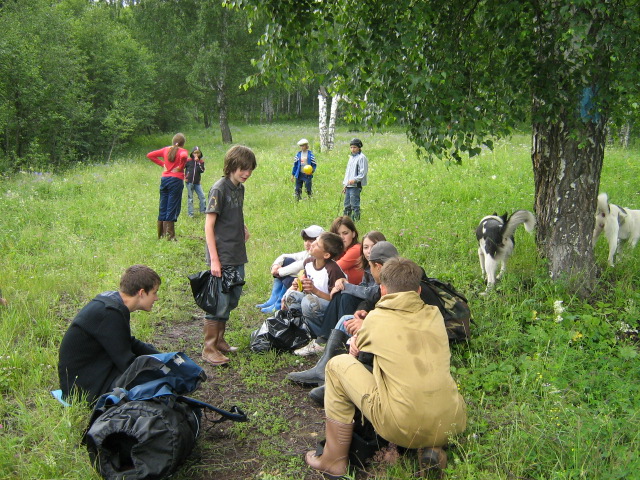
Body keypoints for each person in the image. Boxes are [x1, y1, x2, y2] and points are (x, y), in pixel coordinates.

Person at [305, 258, 467, 479]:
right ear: (418, 290)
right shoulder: (434, 315)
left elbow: (358, 354)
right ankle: (432, 446)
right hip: (453, 420)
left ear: (382, 290)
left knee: (337, 365)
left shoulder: (376, 320)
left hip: (400, 424)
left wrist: (356, 341)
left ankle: (333, 460)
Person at [286, 237, 394, 386]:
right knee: (344, 309)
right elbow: (373, 298)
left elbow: (379, 301)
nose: (369, 252)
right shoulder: (375, 271)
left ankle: (335, 357)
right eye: (366, 247)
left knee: (338, 297)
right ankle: (323, 358)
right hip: (380, 322)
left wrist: (367, 322)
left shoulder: (398, 282)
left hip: (390, 341)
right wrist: (362, 310)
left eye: (373, 247)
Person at [58, 265, 162, 403]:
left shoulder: (112, 303)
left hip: (91, 370)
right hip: (81, 389)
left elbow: (127, 342)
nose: (156, 298)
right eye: (154, 292)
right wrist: (162, 370)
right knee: (153, 384)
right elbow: (127, 363)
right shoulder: (110, 313)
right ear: (141, 293)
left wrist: (162, 357)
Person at [202, 145, 257, 366]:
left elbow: (236, 212)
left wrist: (243, 227)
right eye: (243, 169)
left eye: (250, 169)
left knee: (232, 298)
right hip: (222, 255)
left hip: (237, 252)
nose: (247, 173)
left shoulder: (239, 188)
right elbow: (208, 225)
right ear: (232, 165)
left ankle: (221, 340)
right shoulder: (219, 189)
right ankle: (209, 348)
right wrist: (215, 260)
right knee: (219, 301)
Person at [282, 232, 346, 356]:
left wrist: (314, 291)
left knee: (308, 302)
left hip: (328, 310)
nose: (312, 244)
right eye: (315, 241)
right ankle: (306, 332)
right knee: (291, 297)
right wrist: (298, 285)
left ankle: (322, 339)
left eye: (317, 244)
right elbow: (305, 284)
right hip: (312, 302)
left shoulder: (333, 270)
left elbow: (337, 301)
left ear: (326, 254)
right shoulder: (308, 262)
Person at [256, 225, 325, 314]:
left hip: (310, 288)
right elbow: (285, 255)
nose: (307, 244)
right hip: (303, 284)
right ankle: (273, 299)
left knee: (291, 274)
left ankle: (278, 304)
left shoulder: (316, 257)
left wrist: (279, 272)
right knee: (287, 261)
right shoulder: (307, 253)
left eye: (311, 241)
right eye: (305, 240)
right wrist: (275, 265)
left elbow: (299, 265)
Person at [147, 133, 189, 240]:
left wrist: (163, 165)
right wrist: (180, 167)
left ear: (173, 141)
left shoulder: (166, 149)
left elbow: (150, 155)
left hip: (165, 179)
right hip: (176, 180)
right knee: (172, 206)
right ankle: (169, 236)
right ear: (183, 143)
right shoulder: (182, 151)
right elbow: (184, 156)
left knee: (163, 206)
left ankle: (161, 234)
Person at [331, 216, 364, 285]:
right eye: (337, 234)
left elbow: (333, 268)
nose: (341, 238)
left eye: (345, 233)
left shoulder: (357, 249)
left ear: (353, 234)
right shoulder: (337, 251)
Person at [342, 138, 368, 221]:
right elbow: (348, 172)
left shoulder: (361, 158)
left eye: (355, 147)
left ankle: (356, 221)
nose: (353, 149)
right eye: (351, 147)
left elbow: (363, 172)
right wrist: (345, 184)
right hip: (348, 185)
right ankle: (346, 221)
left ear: (359, 148)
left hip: (355, 185)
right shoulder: (351, 158)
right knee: (347, 205)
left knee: (355, 205)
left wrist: (355, 180)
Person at [184, 146, 206, 217]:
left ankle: (203, 211)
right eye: (194, 153)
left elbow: (201, 170)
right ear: (192, 153)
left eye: (198, 153)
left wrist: (198, 162)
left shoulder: (201, 162)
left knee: (202, 196)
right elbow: (182, 167)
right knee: (190, 198)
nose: (196, 155)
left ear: (200, 154)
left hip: (197, 183)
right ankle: (190, 213)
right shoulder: (188, 161)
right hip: (189, 182)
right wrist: (185, 177)